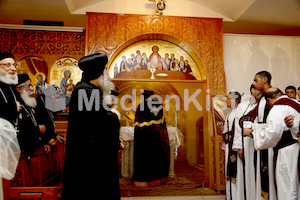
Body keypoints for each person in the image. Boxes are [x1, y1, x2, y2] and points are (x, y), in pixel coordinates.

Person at [63, 53, 121, 200]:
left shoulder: (89, 90)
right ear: (98, 73)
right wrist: (114, 115)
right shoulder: (84, 91)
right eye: (105, 71)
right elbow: (102, 120)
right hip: (89, 158)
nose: (107, 74)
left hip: (94, 154)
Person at [244, 87, 300, 200]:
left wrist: (252, 134)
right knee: (295, 184)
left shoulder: (277, 108)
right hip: (296, 148)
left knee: (287, 185)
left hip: (286, 151)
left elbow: (272, 134)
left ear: (269, 100)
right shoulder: (295, 103)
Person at [132, 90, 170, 187]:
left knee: (145, 157)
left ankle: (144, 180)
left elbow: (137, 124)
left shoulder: (141, 106)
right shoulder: (158, 105)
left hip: (144, 139)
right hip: (157, 138)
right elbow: (162, 124)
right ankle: (158, 179)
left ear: (144, 96)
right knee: (156, 157)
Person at [232, 84, 262, 200]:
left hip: (262, 143)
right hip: (247, 144)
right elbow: (238, 128)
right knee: (248, 173)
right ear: (252, 91)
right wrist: (240, 146)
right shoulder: (243, 106)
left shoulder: (264, 104)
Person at [251, 71, 276, 200]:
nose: (254, 84)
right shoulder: (262, 98)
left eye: (256, 80)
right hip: (262, 141)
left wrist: (252, 129)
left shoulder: (273, 96)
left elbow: (273, 123)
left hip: (271, 143)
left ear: (265, 79)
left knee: (271, 178)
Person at [0, 52, 20, 200]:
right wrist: (14, 107)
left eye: (14, 64)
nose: (12, 68)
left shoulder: (11, 87)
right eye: (7, 65)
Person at [222, 91, 241, 200]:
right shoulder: (231, 112)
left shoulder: (238, 112)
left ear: (234, 100)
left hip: (234, 146)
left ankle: (235, 196)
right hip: (229, 145)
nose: (227, 101)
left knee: (235, 171)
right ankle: (230, 195)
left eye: (229, 98)